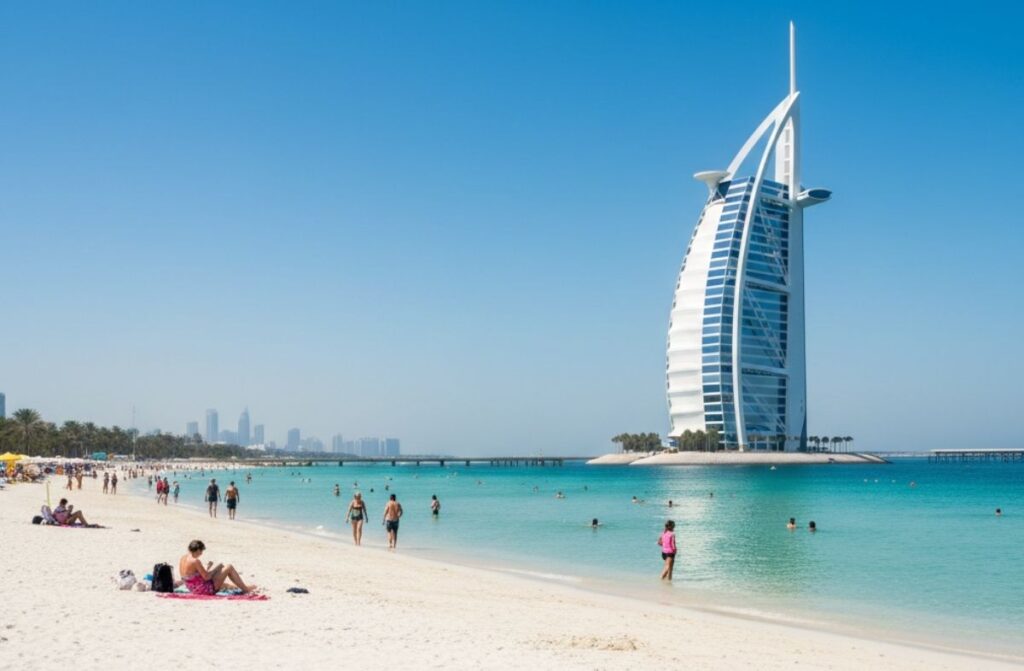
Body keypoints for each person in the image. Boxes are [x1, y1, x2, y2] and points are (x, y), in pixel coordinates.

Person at [178, 540, 255, 595]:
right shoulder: (195, 561)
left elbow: (193, 575)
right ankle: (246, 590)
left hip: (193, 588)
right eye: (201, 551)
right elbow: (206, 577)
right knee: (229, 567)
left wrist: (208, 568)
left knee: (224, 584)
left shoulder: (183, 558)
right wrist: (217, 567)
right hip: (203, 590)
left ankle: (245, 587)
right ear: (198, 550)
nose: (201, 553)